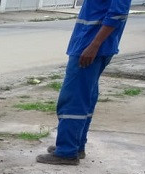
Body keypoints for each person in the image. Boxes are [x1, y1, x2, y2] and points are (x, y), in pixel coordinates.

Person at [36, 0, 130, 165]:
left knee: (73, 98)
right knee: (86, 96)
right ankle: (76, 146)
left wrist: (94, 45)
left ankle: (66, 151)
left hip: (90, 47)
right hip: (89, 43)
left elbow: (117, 13)